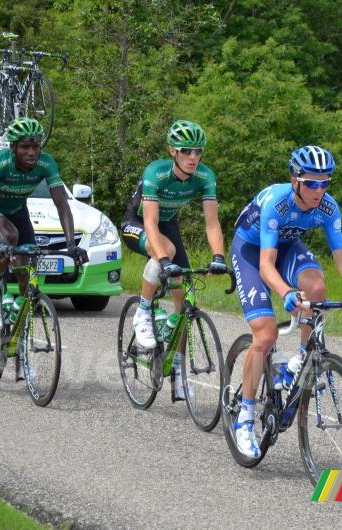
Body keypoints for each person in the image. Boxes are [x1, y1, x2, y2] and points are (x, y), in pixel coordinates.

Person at [229, 145, 342, 458]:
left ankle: (301, 357)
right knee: (266, 334)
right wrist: (286, 293)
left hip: (286, 247)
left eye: (325, 182)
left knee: (317, 287)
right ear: (295, 180)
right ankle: (245, 417)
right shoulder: (277, 202)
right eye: (312, 183)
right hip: (251, 251)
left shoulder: (328, 207)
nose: (319, 190)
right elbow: (265, 266)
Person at [121, 119, 227, 399]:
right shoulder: (156, 173)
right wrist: (164, 261)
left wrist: (218, 256)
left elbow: (212, 224)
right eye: (187, 151)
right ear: (172, 151)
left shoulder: (205, 177)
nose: (194, 157)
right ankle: (143, 312)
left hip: (168, 226)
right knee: (164, 252)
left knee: (185, 293)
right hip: (139, 224)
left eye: (198, 151)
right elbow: (151, 224)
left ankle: (177, 370)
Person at [0, 117, 88, 343]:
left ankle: (18, 328)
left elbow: (62, 205)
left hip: (17, 211)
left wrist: (71, 245)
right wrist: (3, 243)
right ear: (13, 147)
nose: (32, 152)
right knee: (10, 236)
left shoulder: (46, 164)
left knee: (26, 268)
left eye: (36, 146)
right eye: (25, 146)